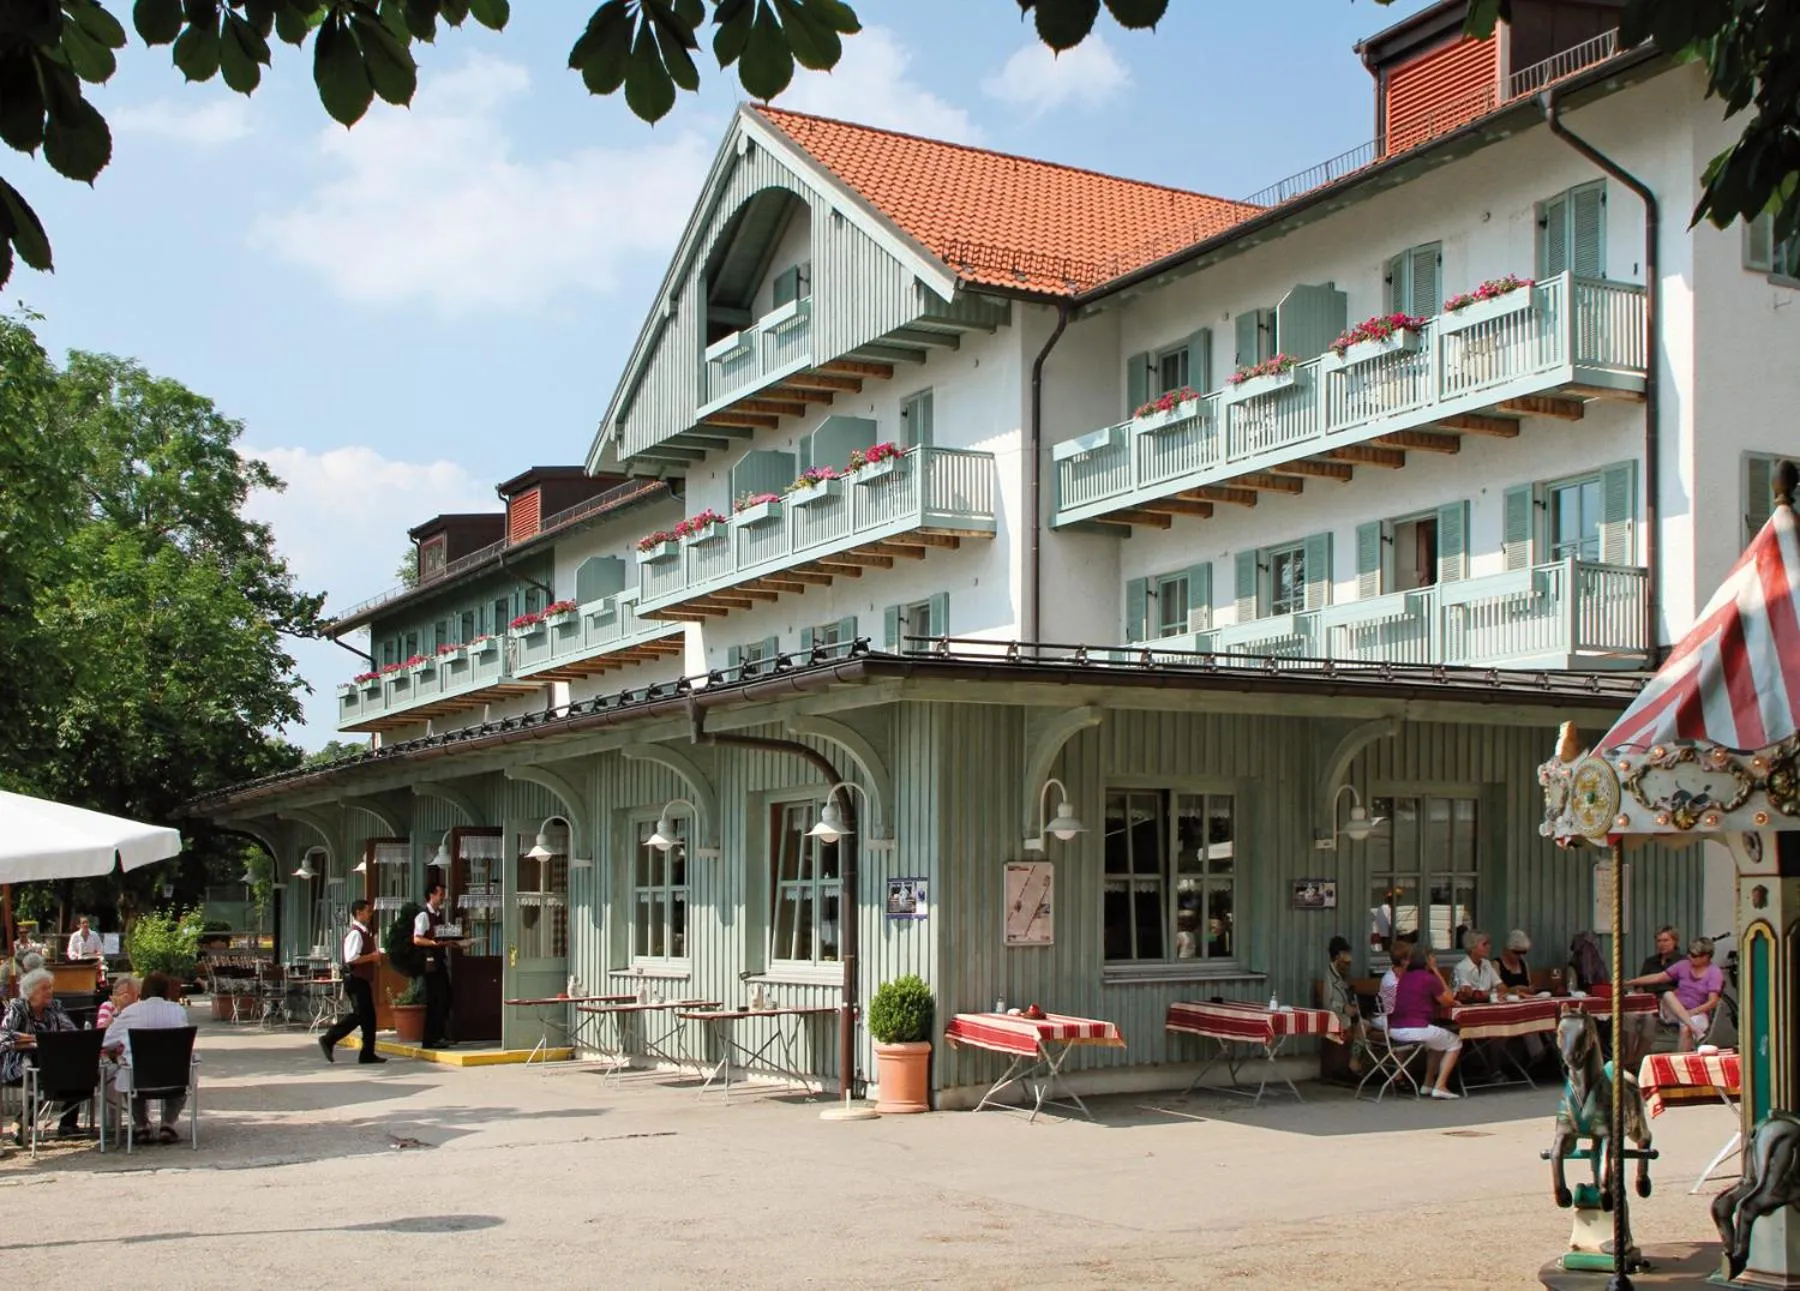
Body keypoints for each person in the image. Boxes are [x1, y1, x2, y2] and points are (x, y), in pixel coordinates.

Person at [102, 971, 192, 1143]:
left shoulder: (130, 1013)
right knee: (183, 1070)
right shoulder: (178, 1011)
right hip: (174, 1078)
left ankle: (141, 1125)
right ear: (166, 991)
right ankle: (168, 1124)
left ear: (142, 991)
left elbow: (106, 1041)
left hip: (140, 1079)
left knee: (128, 1071)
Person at [1, 967, 83, 1140]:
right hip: (19, 1062)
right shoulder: (18, 1007)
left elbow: (72, 1031)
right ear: (31, 992)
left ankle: (67, 1124)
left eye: (50, 987)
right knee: (41, 1072)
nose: (50, 991)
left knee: (80, 1067)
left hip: (51, 1060)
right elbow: (5, 1034)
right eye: (44, 988)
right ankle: (21, 1122)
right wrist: (36, 1039)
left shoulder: (54, 1007)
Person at [1389, 943, 1462, 1099]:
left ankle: (1428, 1084)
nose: (1435, 959)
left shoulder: (1405, 977)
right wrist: (1436, 971)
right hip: (1416, 1028)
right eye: (1433, 957)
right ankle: (1441, 1085)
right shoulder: (1429, 978)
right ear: (1427, 960)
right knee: (1455, 1042)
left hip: (1395, 1029)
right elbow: (1449, 1000)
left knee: (1438, 1042)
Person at [1627, 935, 1723, 1052]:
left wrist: (1693, 1011)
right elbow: (1658, 977)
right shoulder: (1683, 965)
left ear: (1706, 957)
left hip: (1697, 1012)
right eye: (1689, 953)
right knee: (1667, 994)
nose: (1689, 957)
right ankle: (1696, 1031)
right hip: (1673, 1011)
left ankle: (1679, 1061)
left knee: (1685, 1029)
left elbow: (1712, 1001)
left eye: (1694, 956)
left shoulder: (1714, 972)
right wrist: (1629, 982)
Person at [321, 900, 386, 1065]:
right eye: (368, 911)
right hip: (355, 979)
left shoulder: (365, 933)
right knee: (360, 1014)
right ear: (358, 913)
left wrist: (373, 958)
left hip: (361, 979)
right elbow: (351, 958)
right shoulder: (356, 933)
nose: (371, 914)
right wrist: (372, 957)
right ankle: (329, 1038)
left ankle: (367, 1053)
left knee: (368, 1017)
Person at [412, 883, 461, 1049]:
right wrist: (432, 943)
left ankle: (438, 1035)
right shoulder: (423, 916)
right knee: (436, 999)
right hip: (430, 963)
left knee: (445, 997)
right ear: (431, 895)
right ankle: (430, 1038)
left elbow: (440, 937)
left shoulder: (438, 915)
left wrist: (452, 943)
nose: (443, 898)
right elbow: (417, 939)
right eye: (440, 895)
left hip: (439, 961)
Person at [1324, 935, 1366, 1071]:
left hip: (1347, 1018)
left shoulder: (1342, 975)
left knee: (1365, 1026)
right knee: (1364, 1027)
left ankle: (1357, 1061)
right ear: (1338, 956)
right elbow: (1327, 1002)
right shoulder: (1329, 977)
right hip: (1337, 1020)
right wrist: (1344, 1007)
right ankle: (1353, 1062)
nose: (1348, 962)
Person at [1452, 929, 1503, 1000]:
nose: (1489, 947)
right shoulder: (1462, 967)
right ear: (1472, 947)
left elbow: (1500, 986)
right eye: (1484, 944)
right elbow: (1468, 994)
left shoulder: (1487, 963)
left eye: (1489, 944)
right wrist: (1492, 993)